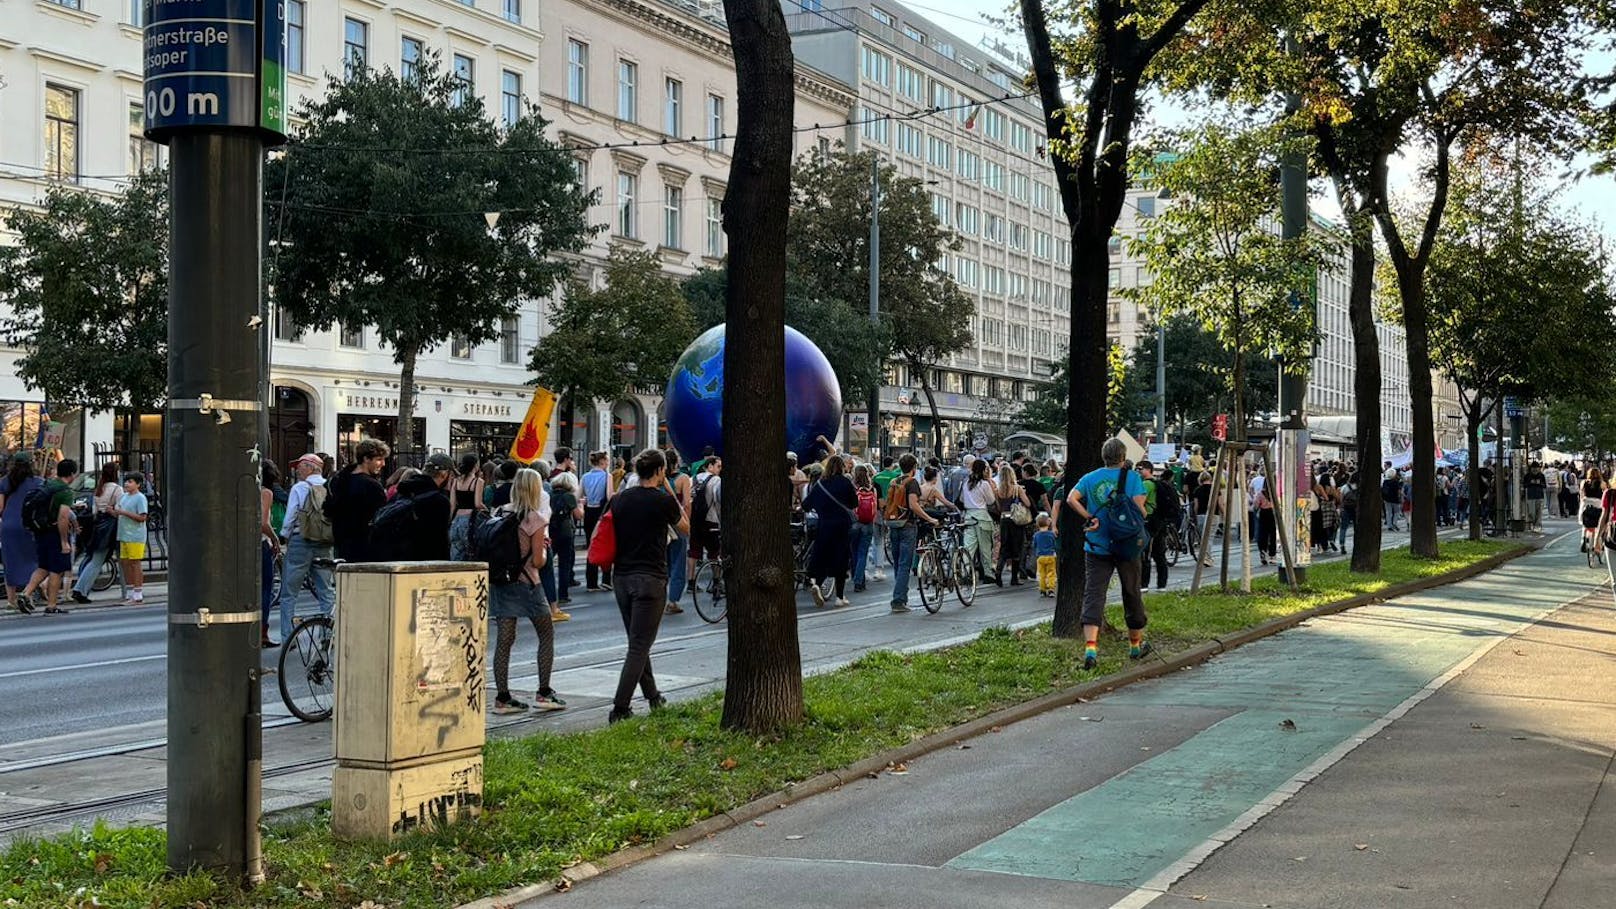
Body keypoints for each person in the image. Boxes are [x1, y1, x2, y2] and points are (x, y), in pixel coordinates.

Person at [607, 449, 689, 724]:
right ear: (659, 471)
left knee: (637, 641)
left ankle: (653, 696)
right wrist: (669, 490)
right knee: (640, 645)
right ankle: (620, 708)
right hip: (651, 577)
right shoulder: (663, 501)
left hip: (622, 577)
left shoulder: (619, 499)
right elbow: (685, 527)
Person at [1065, 438, 1151, 670]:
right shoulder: (1132, 478)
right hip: (1126, 545)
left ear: (1104, 456)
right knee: (1131, 592)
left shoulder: (1090, 478)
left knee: (1094, 594)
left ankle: (1091, 650)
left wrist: (1089, 517)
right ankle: (1135, 645)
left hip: (1096, 545)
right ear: (1123, 456)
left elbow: (1071, 498)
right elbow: (1140, 510)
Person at [489, 468, 567, 715]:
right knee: (546, 633)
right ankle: (544, 692)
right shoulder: (534, 518)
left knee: (505, 639)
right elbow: (538, 561)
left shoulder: (500, 511)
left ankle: (502, 697)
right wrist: (543, 548)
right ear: (535, 489)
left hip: (501, 581)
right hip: (527, 583)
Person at [278, 453, 335, 642]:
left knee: (289, 592)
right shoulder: (329, 486)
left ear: (311, 467)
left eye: (301, 466)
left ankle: (288, 637)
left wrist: (284, 536)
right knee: (325, 590)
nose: (297, 469)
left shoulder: (300, 487)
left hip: (300, 540)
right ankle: (328, 634)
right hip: (324, 542)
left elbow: (292, 514)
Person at [16, 459, 80, 614]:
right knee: (56, 569)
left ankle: (25, 593)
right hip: (53, 532)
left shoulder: (47, 484)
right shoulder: (64, 491)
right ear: (72, 474)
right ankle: (51, 605)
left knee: (43, 566)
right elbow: (63, 517)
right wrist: (64, 541)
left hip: (40, 530)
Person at [885, 453, 939, 613]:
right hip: (907, 525)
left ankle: (900, 595)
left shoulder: (894, 481)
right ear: (914, 468)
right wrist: (930, 518)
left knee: (897, 562)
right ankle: (899, 600)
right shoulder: (912, 482)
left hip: (893, 523)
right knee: (904, 564)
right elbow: (914, 505)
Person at [804, 454, 858, 608]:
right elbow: (854, 502)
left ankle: (817, 584)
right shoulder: (845, 482)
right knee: (841, 559)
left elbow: (806, 504)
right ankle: (840, 597)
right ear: (841, 467)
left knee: (822, 557)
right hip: (842, 526)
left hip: (824, 526)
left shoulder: (820, 484)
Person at [69, 461, 126, 605]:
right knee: (97, 561)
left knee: (93, 558)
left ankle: (80, 589)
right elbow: (119, 510)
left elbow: (94, 511)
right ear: (115, 473)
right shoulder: (117, 489)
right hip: (109, 526)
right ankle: (80, 590)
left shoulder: (99, 489)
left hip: (98, 525)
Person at [326, 438, 390, 563]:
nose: (383, 464)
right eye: (379, 459)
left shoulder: (339, 480)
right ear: (366, 459)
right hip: (366, 547)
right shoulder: (372, 486)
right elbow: (381, 519)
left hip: (342, 544)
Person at [0, 453, 43, 613]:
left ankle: (11, 600)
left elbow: (0, 508)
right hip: (29, 524)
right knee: (32, 560)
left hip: (9, 525)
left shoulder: (5, 482)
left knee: (10, 561)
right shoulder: (38, 482)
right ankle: (27, 595)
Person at [958, 457, 998, 583]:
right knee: (985, 547)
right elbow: (991, 501)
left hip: (969, 516)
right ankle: (988, 573)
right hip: (982, 517)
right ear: (984, 470)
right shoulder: (984, 484)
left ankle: (965, 571)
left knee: (969, 547)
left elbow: (962, 500)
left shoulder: (966, 483)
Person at [1139, 460, 1177, 587]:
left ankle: (1144, 584)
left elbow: (1139, 503)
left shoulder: (1146, 485)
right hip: (1160, 521)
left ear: (1148, 469)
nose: (1137, 471)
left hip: (1149, 521)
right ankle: (1162, 584)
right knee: (1160, 554)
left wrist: (1144, 515)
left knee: (1146, 553)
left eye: (1140, 469)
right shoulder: (1158, 483)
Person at [664, 449, 692, 615]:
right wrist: (687, 523)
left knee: (663, 562)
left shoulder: (660, 479)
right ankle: (673, 600)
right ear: (676, 462)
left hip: (662, 524)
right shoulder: (683, 479)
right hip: (677, 524)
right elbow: (687, 504)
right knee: (678, 562)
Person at [582, 451, 615, 591]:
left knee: (591, 545)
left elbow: (579, 495)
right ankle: (606, 579)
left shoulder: (584, 477)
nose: (608, 463)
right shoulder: (608, 476)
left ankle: (591, 582)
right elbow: (609, 497)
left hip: (589, 512)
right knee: (606, 544)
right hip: (601, 513)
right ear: (602, 462)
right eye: (606, 461)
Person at [994, 463, 1031, 586]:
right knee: (1017, 548)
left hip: (1004, 519)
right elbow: (1028, 503)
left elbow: (999, 508)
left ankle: (998, 572)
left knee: (1004, 547)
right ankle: (1014, 578)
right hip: (1015, 520)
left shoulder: (997, 490)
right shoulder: (1017, 488)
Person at [549, 470, 582, 607]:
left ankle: (546, 591)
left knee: (549, 562)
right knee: (564, 564)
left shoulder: (549, 495)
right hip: (566, 532)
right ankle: (563, 595)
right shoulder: (569, 496)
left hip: (551, 530)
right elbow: (578, 515)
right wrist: (580, 505)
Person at [259, 462, 282, 646]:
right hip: (261, 545)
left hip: (244, 546)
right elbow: (263, 522)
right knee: (266, 589)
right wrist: (275, 538)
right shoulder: (266, 493)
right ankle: (262, 632)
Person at [447, 453, 485, 561]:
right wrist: (486, 510)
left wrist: (450, 520)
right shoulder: (478, 481)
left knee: (455, 554)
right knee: (471, 554)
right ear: (476, 465)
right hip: (470, 519)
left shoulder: (456, 481)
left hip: (456, 519)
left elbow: (452, 504)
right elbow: (477, 503)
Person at [849, 463, 878, 593]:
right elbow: (875, 506)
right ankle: (859, 581)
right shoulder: (872, 488)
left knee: (854, 551)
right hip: (868, 523)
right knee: (863, 553)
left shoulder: (852, 488)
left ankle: (856, 576)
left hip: (854, 522)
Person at [1032, 513, 1058, 597]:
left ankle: (1042, 589)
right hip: (1050, 556)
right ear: (1048, 523)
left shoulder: (1036, 535)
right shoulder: (1051, 534)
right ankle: (1051, 588)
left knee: (1042, 573)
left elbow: (1034, 545)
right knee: (1051, 573)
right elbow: (1055, 544)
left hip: (1040, 557)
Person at [1523, 462, 1546, 533]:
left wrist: (1539, 483)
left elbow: (1544, 485)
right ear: (1531, 469)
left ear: (1539, 468)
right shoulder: (1527, 476)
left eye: (1536, 468)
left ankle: (1537, 525)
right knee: (1531, 512)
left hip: (1540, 496)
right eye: (1533, 468)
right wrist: (1531, 483)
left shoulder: (1541, 476)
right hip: (1530, 496)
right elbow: (1524, 485)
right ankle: (1532, 523)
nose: (1535, 469)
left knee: (1539, 512)